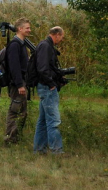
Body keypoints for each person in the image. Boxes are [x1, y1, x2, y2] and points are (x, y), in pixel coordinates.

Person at [33, 26, 67, 155]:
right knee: (54, 120)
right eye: (61, 37)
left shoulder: (45, 46)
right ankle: (56, 151)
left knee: (42, 121)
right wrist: (52, 84)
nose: (61, 40)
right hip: (47, 88)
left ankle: (39, 149)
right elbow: (42, 69)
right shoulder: (46, 46)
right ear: (57, 34)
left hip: (45, 87)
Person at [4, 17, 31, 144]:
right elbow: (14, 67)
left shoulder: (21, 44)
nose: (29, 30)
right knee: (14, 111)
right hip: (17, 85)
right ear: (20, 29)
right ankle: (10, 138)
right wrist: (20, 85)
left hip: (21, 83)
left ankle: (16, 138)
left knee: (22, 112)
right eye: (27, 28)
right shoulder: (15, 45)